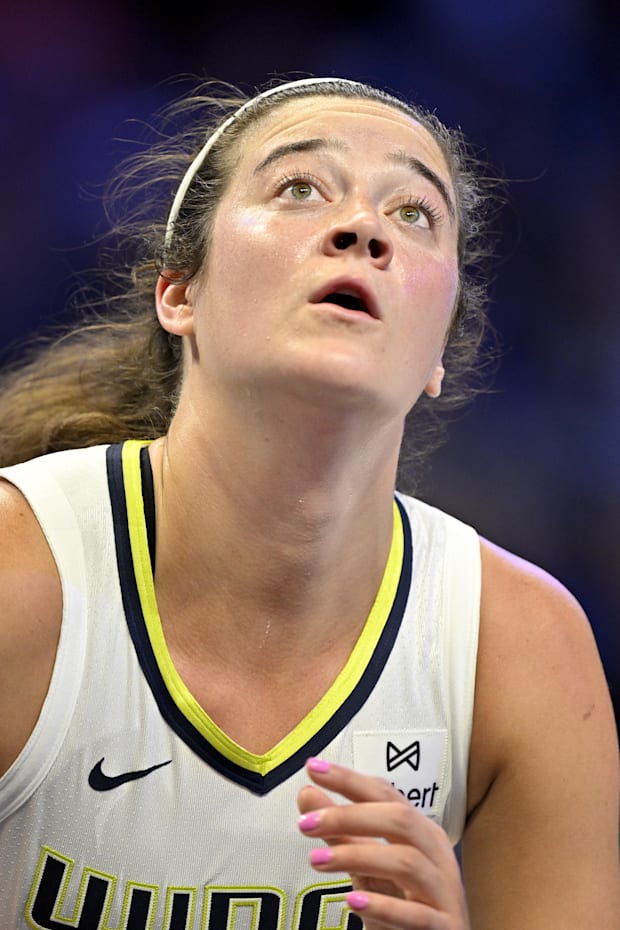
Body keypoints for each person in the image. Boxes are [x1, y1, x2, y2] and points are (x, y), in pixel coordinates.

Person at [0, 75, 618, 930]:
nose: (363, 226)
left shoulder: (524, 647)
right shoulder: (18, 575)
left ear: (439, 349)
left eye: (413, 214)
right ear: (180, 295)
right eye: (299, 188)